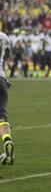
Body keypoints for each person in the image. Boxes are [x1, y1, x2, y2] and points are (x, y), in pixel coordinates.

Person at [0, 31, 15, 165]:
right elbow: (6, 56)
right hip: (1, 79)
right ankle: (7, 140)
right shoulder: (4, 37)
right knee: (2, 117)